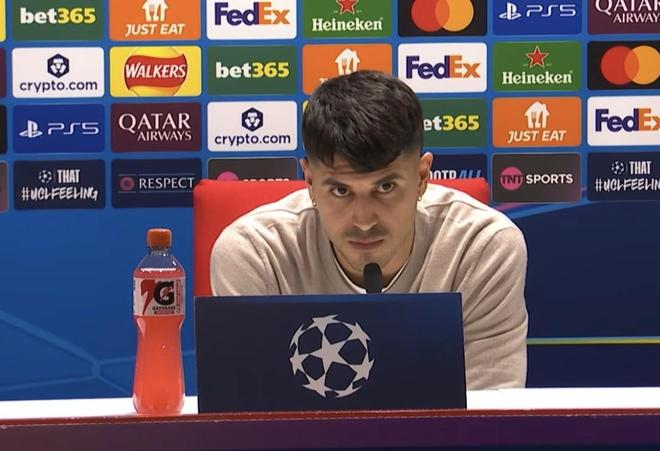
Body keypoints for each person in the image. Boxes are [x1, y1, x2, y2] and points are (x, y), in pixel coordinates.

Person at [211, 70, 528, 390]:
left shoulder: (482, 246)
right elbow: (249, 409)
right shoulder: (255, 253)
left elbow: (489, 407)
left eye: (385, 187)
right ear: (309, 181)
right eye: (340, 191)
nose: (363, 220)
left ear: (421, 177)